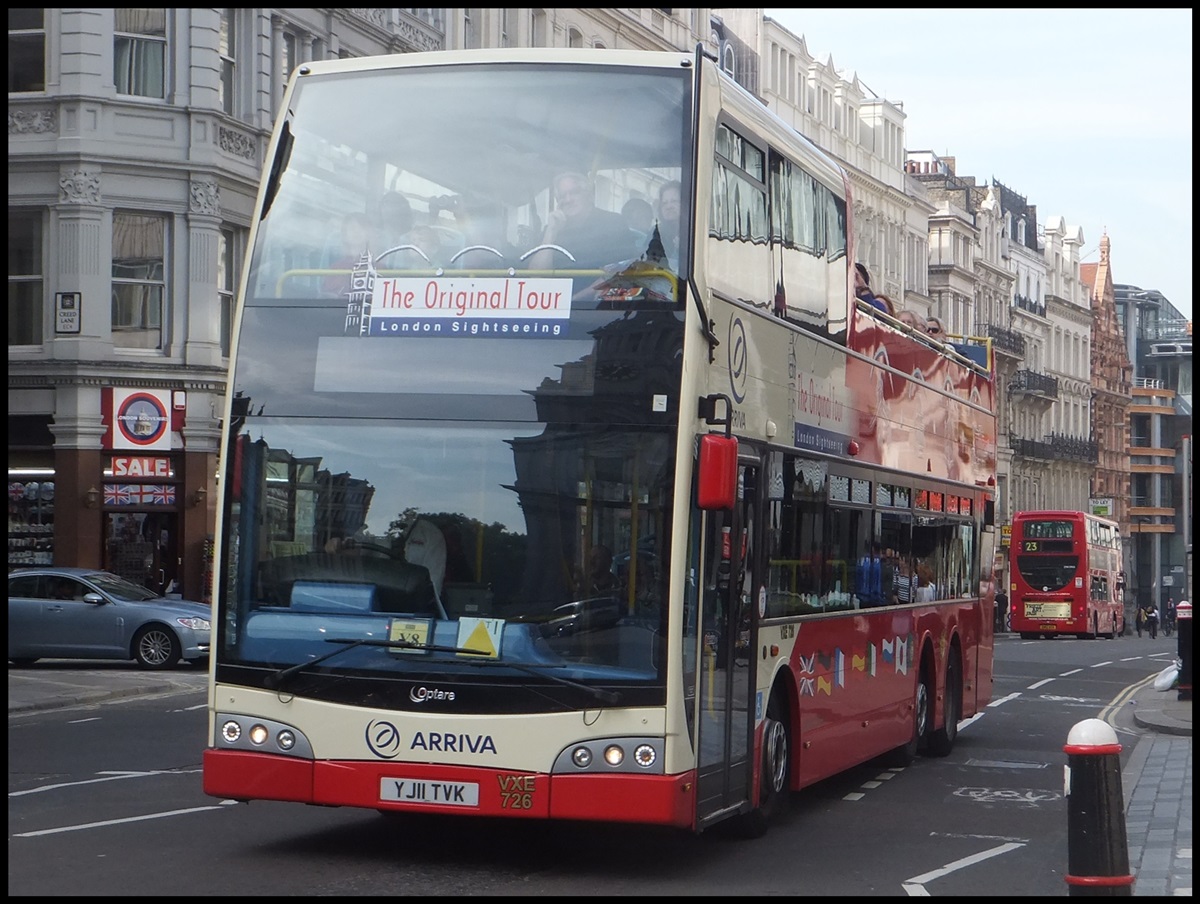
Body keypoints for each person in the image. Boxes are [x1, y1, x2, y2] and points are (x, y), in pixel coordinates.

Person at [529, 171, 635, 270]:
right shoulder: (552, 228)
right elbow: (535, 276)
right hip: (557, 290)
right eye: (562, 196)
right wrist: (551, 233)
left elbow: (620, 270)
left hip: (600, 290)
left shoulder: (613, 223)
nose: (568, 200)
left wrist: (583, 291)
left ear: (589, 195)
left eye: (574, 192)